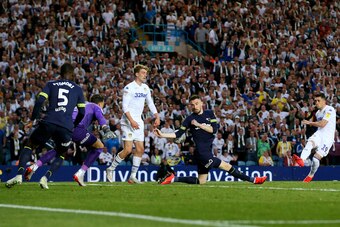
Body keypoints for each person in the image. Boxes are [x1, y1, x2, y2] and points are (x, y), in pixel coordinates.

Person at [153, 95, 267, 185]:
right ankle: (254, 180)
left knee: (201, 181)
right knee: (226, 166)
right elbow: (178, 133)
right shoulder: (189, 119)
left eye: (196, 103)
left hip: (207, 152)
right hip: (202, 153)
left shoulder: (209, 113)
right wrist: (162, 134)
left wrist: (199, 124)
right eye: (192, 105)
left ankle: (172, 179)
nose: (195, 106)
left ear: (202, 103)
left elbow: (213, 130)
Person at [5, 63, 86, 189]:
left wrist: (33, 120)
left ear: (60, 73)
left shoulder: (51, 84)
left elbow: (39, 101)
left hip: (49, 122)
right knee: (61, 154)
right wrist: (73, 125)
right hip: (66, 127)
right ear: (72, 74)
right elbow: (82, 112)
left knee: (29, 145)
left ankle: (19, 175)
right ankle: (45, 178)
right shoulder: (77, 89)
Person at [23, 94, 116, 187]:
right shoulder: (96, 106)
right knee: (99, 146)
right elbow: (101, 118)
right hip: (76, 128)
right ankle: (80, 173)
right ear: (100, 103)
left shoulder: (81, 103)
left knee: (58, 149)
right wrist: (106, 129)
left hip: (62, 125)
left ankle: (34, 167)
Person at [106, 64, 160, 183]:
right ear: (136, 74)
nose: (145, 75)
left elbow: (150, 103)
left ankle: (132, 176)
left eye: (146, 73)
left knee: (140, 149)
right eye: (143, 73)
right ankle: (111, 169)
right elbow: (124, 106)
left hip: (138, 121)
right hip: (127, 121)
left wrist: (156, 116)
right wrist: (131, 121)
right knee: (128, 150)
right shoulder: (129, 88)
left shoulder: (145, 88)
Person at [293, 93, 336, 182]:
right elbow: (319, 126)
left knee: (316, 158)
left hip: (328, 138)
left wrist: (310, 123)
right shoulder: (317, 113)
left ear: (324, 101)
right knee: (310, 142)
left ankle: (310, 175)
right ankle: (302, 160)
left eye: (318, 100)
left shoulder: (329, 110)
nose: (316, 102)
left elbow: (322, 124)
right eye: (315, 101)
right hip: (320, 133)